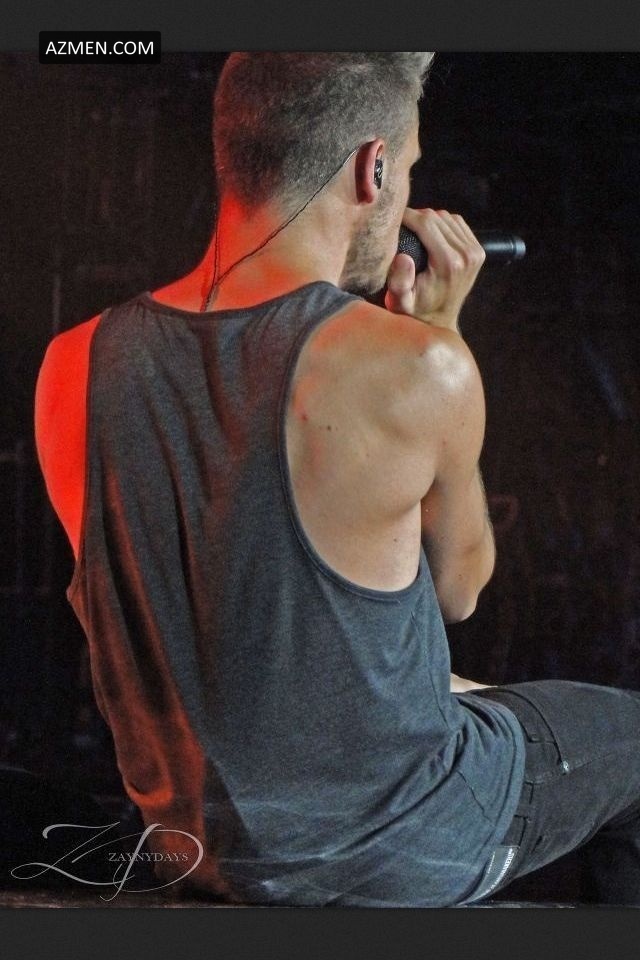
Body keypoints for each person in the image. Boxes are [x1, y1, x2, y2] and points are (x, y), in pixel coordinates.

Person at [34, 52, 640, 907]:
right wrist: (441, 335)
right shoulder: (419, 367)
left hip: (191, 850)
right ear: (373, 167)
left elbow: (230, 646)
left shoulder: (73, 364)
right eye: (410, 168)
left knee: (492, 700)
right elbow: (460, 591)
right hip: (395, 844)